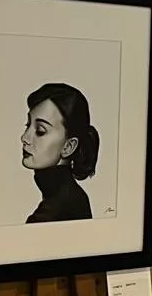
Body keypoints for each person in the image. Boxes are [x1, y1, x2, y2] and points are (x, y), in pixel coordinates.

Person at [22, 82, 99, 223]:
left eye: (40, 131)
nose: (24, 138)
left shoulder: (56, 208)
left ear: (68, 147)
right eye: (27, 125)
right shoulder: (69, 196)